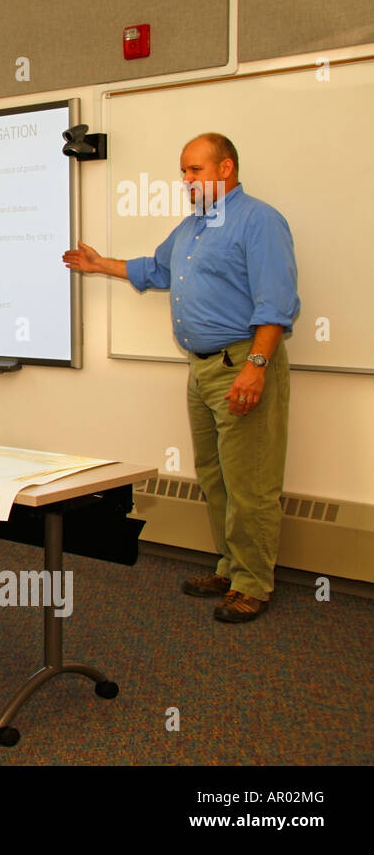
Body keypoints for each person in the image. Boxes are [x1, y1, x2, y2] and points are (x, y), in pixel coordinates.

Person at [62, 133, 299, 623]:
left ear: (226, 168)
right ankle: (232, 569)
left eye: (194, 171)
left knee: (250, 483)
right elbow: (156, 269)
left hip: (244, 365)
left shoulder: (260, 221)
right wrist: (98, 263)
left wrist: (256, 368)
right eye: (183, 172)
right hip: (202, 369)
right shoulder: (192, 229)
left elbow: (275, 301)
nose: (186, 180)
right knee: (215, 477)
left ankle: (254, 583)